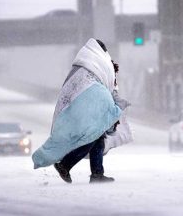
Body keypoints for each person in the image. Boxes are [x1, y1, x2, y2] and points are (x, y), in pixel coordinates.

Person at [32, 38, 122, 183]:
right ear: (100, 50)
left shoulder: (82, 65)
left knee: (97, 136)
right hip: (86, 104)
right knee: (92, 136)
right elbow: (107, 81)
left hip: (79, 105)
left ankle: (97, 174)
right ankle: (65, 165)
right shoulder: (96, 62)